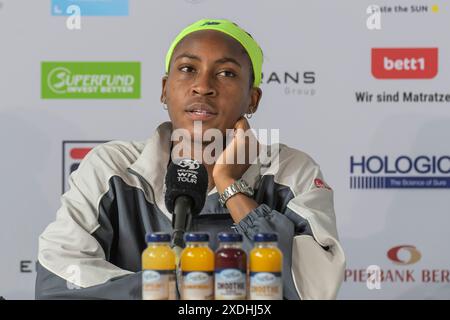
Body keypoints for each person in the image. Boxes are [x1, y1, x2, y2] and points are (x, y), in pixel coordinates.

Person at [35, 18, 345, 300]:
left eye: (226, 73)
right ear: (164, 89)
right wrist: (181, 290)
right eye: (187, 69)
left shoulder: (291, 172)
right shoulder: (112, 169)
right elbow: (57, 283)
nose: (203, 86)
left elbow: (315, 289)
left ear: (252, 99)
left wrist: (229, 184)